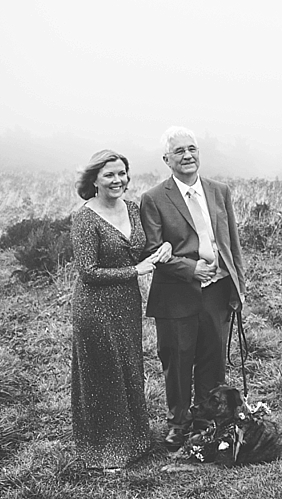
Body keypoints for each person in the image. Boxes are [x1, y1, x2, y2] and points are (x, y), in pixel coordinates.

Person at [139, 127, 247, 449]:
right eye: (179, 152)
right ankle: (179, 423)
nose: (187, 156)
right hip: (176, 294)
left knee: (213, 358)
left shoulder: (219, 191)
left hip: (217, 290)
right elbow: (151, 249)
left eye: (192, 149)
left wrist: (238, 288)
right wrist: (190, 269)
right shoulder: (154, 198)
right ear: (166, 160)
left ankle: (207, 421)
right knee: (178, 359)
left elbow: (232, 244)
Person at [71, 149, 171, 469]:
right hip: (94, 308)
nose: (117, 180)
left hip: (127, 304)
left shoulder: (133, 207)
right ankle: (105, 453)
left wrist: (163, 248)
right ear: (95, 180)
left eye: (121, 173)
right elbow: (88, 271)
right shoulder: (85, 218)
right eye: (109, 174)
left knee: (129, 368)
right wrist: (136, 271)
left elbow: (146, 246)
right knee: (103, 375)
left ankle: (136, 441)